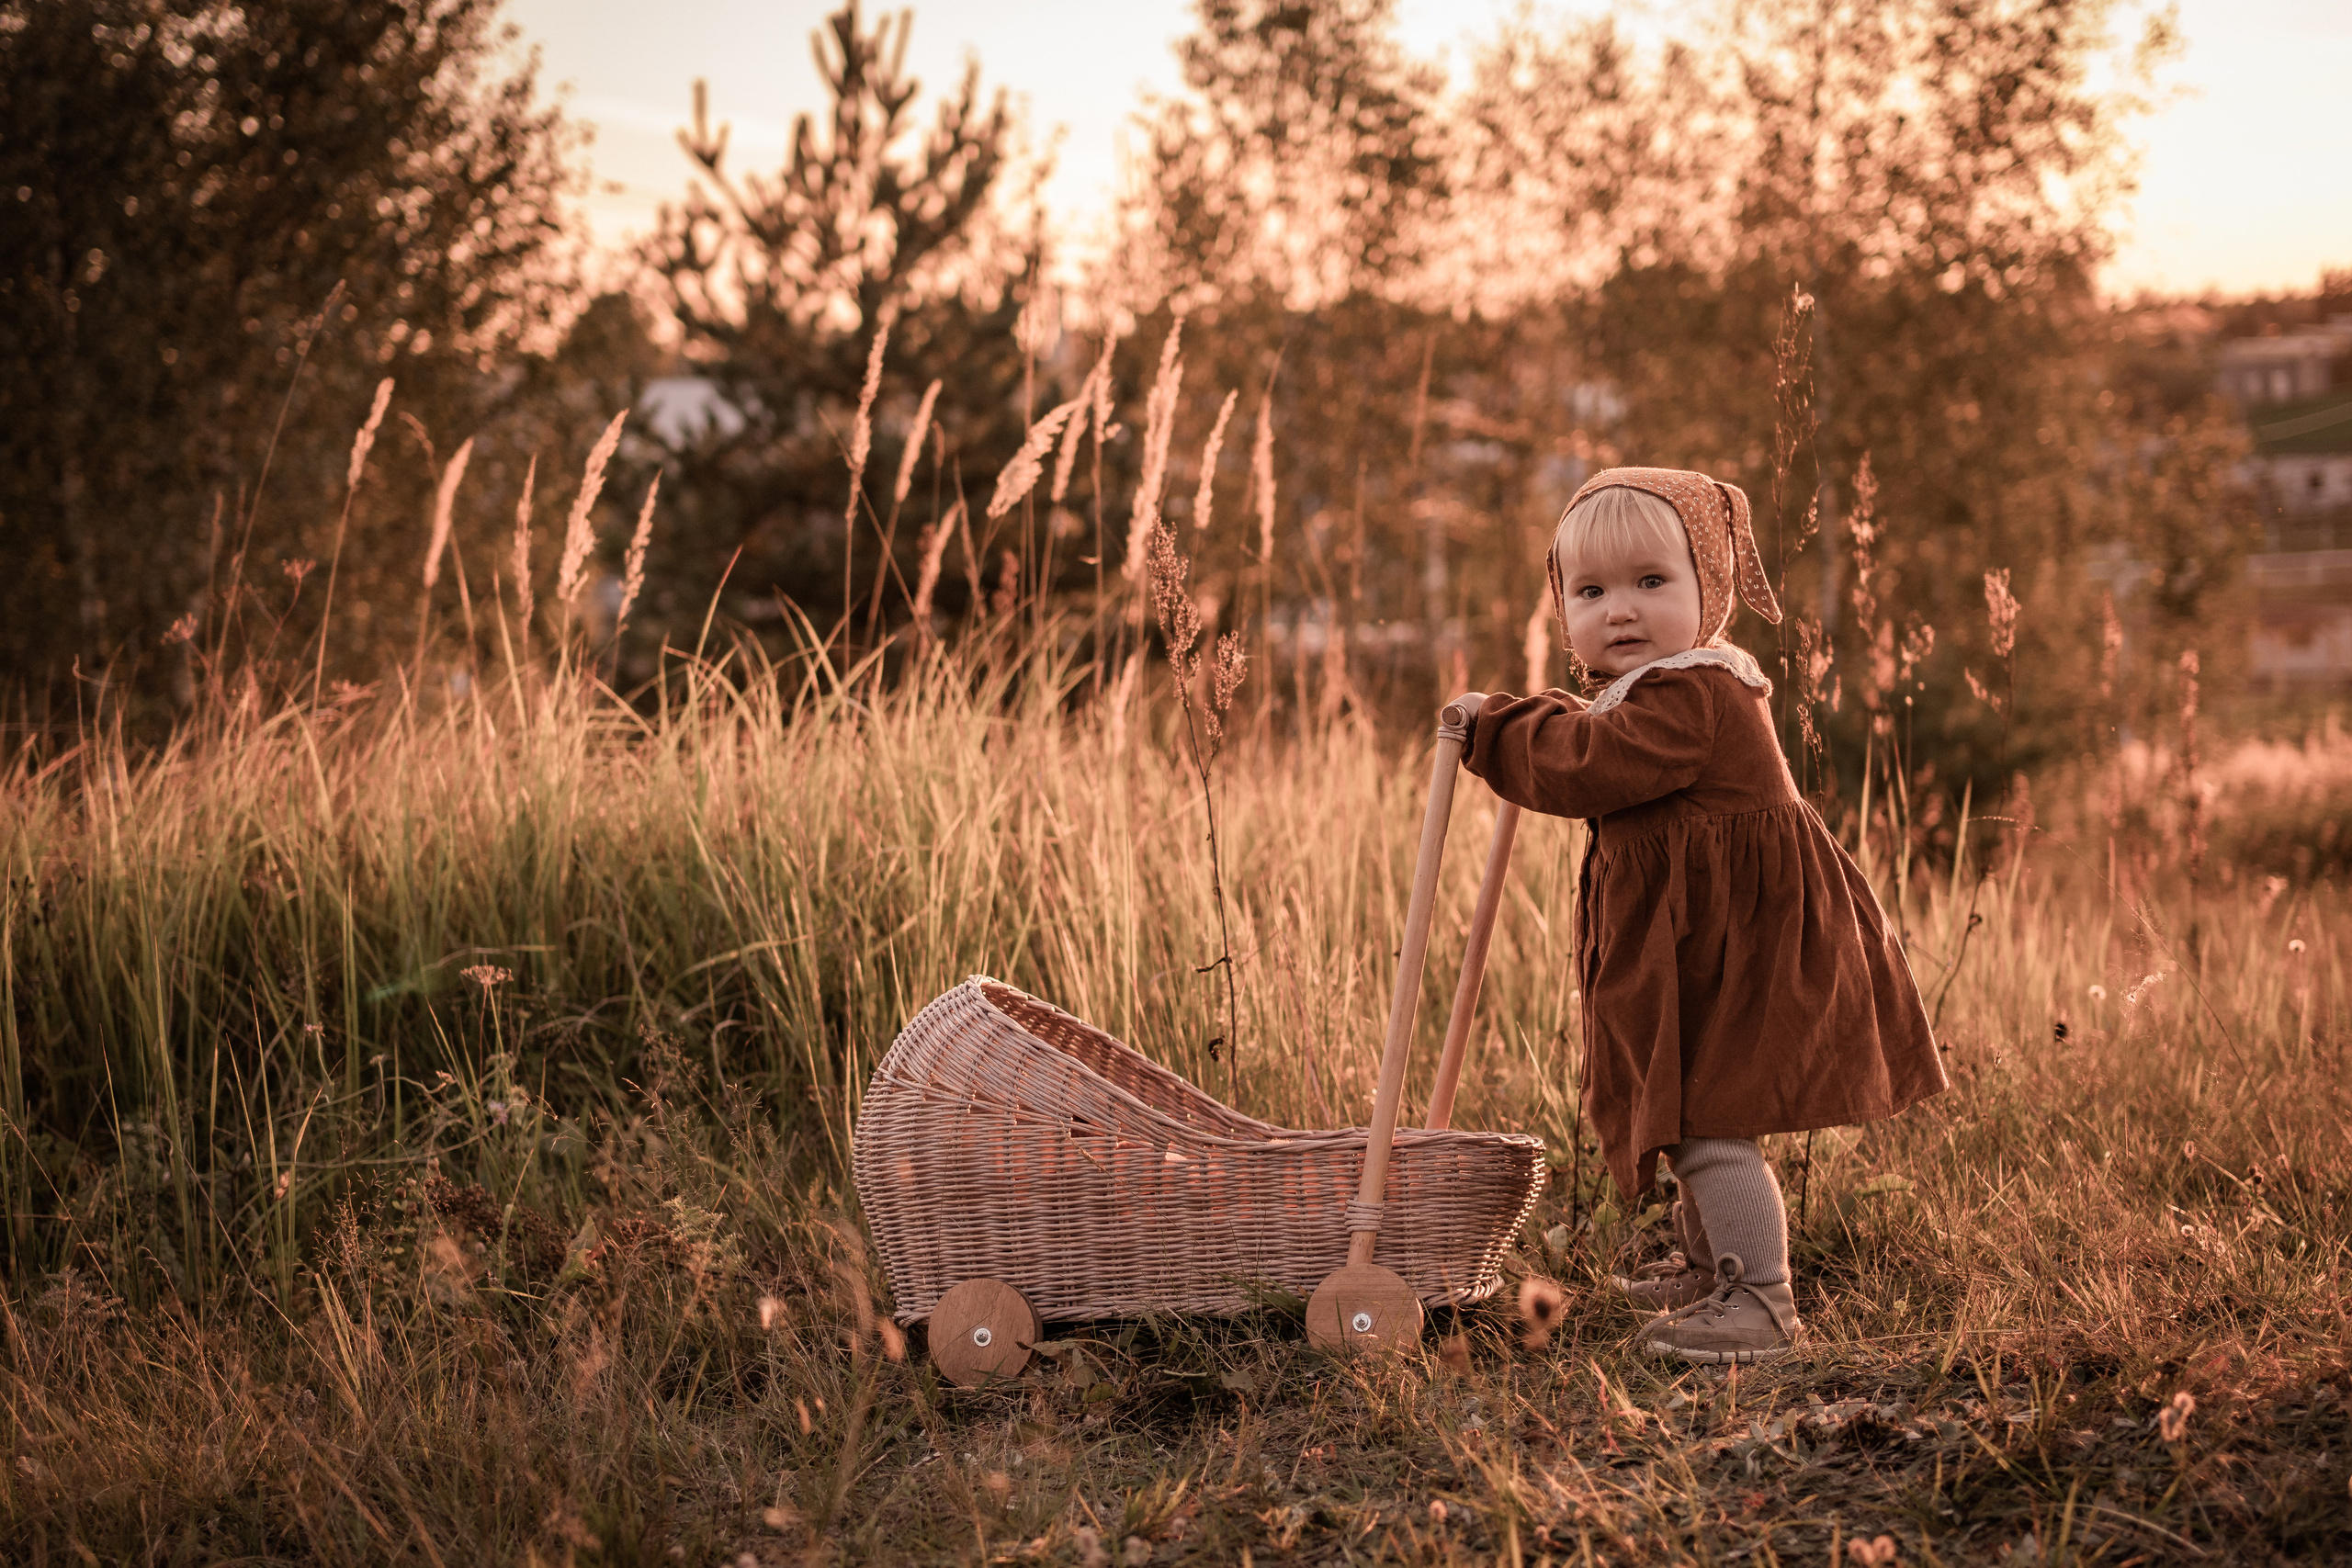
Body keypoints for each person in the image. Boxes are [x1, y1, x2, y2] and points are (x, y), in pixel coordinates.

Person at [1455, 468, 1945, 1363]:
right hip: (1708, 943)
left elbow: (1588, 764)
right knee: (1690, 1108)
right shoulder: (1653, 692)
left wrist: (1499, 729)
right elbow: (1595, 734)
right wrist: (1530, 718)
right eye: (1591, 591)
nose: (1621, 611)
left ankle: (1759, 1302)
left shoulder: (1698, 693)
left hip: (1743, 949)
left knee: (1710, 1120)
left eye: (1652, 582)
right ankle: (1710, 1265)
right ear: (1562, 605)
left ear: (1708, 589)